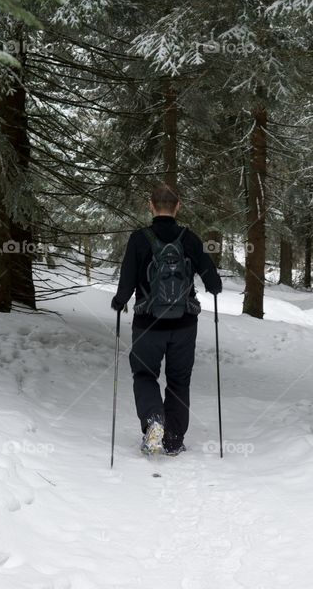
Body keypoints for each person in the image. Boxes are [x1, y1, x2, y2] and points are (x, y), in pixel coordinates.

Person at [110, 184, 222, 456]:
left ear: (151, 205)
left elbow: (126, 284)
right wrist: (213, 286)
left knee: (145, 374)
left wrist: (119, 301)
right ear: (178, 206)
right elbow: (213, 282)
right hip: (184, 325)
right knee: (179, 380)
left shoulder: (139, 239)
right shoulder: (190, 238)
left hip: (148, 323)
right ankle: (173, 439)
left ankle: (153, 420)